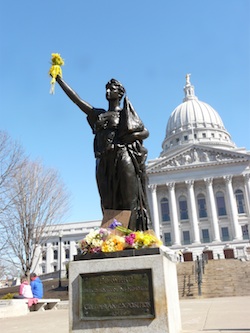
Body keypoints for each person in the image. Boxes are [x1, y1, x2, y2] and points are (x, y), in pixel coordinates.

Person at [55, 75, 151, 231]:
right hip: (103, 160)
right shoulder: (99, 114)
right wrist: (59, 80)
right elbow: (77, 101)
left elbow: (145, 132)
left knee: (128, 198)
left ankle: (132, 237)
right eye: (106, 89)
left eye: (111, 89)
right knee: (107, 200)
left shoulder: (126, 114)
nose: (107, 91)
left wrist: (130, 136)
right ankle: (113, 237)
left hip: (123, 157)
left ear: (120, 94)